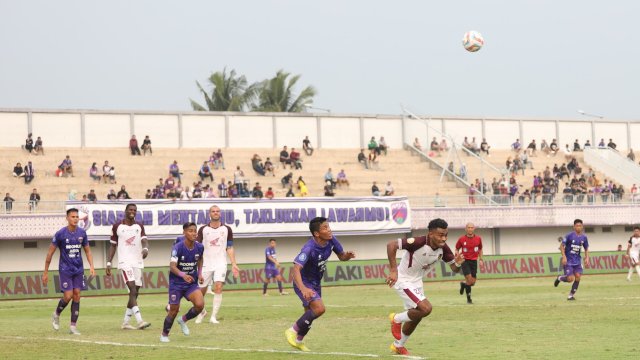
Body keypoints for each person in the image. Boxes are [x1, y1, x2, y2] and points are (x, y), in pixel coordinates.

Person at [386, 218, 464, 355]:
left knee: (417, 315)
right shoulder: (418, 242)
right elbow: (391, 245)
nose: (444, 238)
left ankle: (398, 345)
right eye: (440, 235)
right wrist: (393, 270)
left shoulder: (443, 248)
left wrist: (457, 263)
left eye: (446, 234)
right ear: (431, 234)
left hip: (417, 282)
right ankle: (396, 318)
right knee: (426, 308)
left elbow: (454, 269)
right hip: (403, 279)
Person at [285, 217, 356, 352]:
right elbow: (295, 269)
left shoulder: (331, 240)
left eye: (328, 226)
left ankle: (299, 341)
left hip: (316, 282)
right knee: (319, 309)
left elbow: (341, 256)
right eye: (325, 228)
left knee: (310, 314)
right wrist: (303, 288)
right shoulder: (309, 248)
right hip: (303, 282)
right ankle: (291, 331)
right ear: (317, 233)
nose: (329, 230)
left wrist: (347, 255)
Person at [42, 208, 96, 335]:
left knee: (77, 294)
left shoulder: (82, 233)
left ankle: (73, 326)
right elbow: (50, 253)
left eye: (77, 216)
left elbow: (88, 251)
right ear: (67, 218)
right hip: (65, 269)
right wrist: (45, 272)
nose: (75, 219)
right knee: (68, 295)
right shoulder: (60, 234)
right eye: (72, 216)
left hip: (78, 269)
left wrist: (92, 266)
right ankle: (56, 314)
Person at [105, 204, 151, 330]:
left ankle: (125, 322)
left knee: (135, 293)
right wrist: (109, 262)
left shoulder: (139, 226)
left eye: (135, 210)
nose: (133, 212)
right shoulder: (117, 226)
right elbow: (113, 245)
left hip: (137, 262)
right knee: (132, 289)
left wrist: (146, 248)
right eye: (130, 210)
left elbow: (144, 240)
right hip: (124, 262)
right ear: (125, 211)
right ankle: (140, 320)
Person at [194, 205, 240, 324]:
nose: (215, 213)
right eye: (213, 211)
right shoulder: (203, 229)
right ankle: (202, 312)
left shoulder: (227, 229)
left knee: (218, 286)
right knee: (199, 293)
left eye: (217, 211)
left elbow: (229, 247)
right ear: (209, 214)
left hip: (221, 263)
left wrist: (234, 264)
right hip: (206, 263)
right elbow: (197, 247)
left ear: (220, 213)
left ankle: (213, 317)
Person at [160, 222, 205, 343]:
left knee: (200, 305)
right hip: (177, 284)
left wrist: (200, 273)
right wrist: (183, 275)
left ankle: (183, 320)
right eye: (190, 231)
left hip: (191, 283)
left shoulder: (200, 247)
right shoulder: (178, 247)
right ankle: (164, 334)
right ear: (184, 232)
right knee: (174, 310)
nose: (194, 233)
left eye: (195, 231)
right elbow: (172, 266)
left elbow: (200, 258)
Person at [553, 219, 590, 300]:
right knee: (570, 279)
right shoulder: (569, 236)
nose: (579, 227)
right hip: (568, 261)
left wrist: (587, 258)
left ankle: (570, 295)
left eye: (580, 226)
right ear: (574, 227)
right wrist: (564, 256)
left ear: (582, 227)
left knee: (578, 277)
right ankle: (560, 278)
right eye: (577, 226)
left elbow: (586, 248)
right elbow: (561, 246)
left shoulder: (584, 237)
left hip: (577, 261)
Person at [455, 223, 484, 304]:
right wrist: (457, 254)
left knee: (472, 282)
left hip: (474, 261)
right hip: (465, 261)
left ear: (474, 229)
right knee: (469, 279)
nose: (470, 229)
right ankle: (469, 299)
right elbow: (457, 249)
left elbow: (480, 249)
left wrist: (481, 259)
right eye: (469, 227)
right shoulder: (461, 239)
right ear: (466, 229)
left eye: (472, 227)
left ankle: (463, 284)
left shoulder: (478, 238)